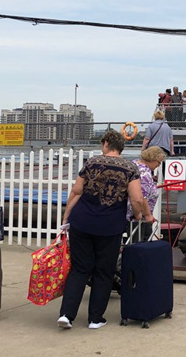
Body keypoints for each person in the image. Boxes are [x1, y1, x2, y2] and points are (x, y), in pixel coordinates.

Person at [58, 130, 148, 330]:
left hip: (82, 221)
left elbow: (76, 191)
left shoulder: (92, 163)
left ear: (106, 143)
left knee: (79, 268)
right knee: (104, 271)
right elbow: (136, 199)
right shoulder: (130, 167)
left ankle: (66, 315)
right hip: (110, 225)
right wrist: (138, 215)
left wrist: (66, 217)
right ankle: (95, 318)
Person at [127, 145, 166, 223]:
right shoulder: (144, 173)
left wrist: (151, 179)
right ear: (153, 159)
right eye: (159, 162)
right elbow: (141, 196)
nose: (158, 165)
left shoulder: (134, 163)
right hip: (138, 217)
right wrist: (148, 215)